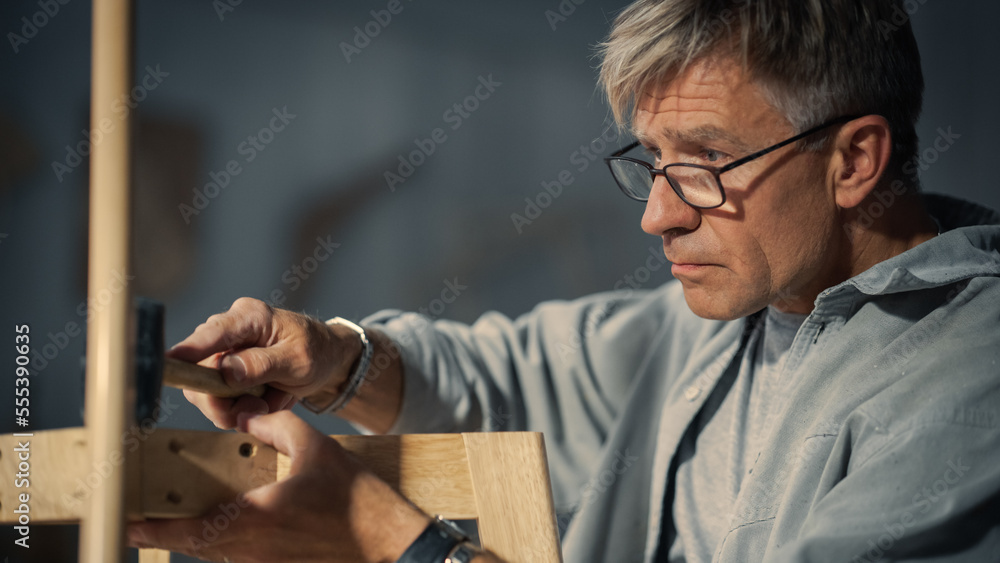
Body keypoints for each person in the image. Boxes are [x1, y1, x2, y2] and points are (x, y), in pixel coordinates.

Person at [127, 0, 1000, 561]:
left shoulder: (971, 387)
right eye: (655, 160)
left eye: (707, 160)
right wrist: (337, 358)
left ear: (853, 161)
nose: (658, 214)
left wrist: (391, 540)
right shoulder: (714, 320)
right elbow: (504, 375)